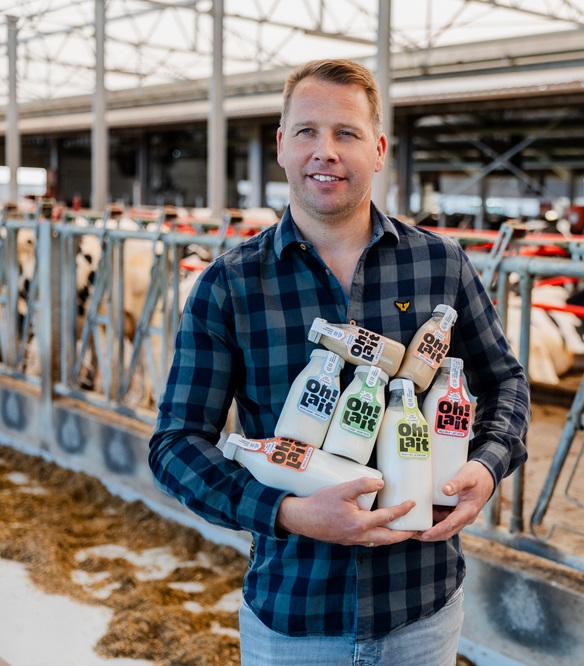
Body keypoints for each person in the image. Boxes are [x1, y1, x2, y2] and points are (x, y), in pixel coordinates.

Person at [148, 58, 530, 665]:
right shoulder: (230, 285)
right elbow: (175, 443)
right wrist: (290, 512)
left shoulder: (441, 265)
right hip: (294, 614)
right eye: (307, 132)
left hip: (422, 607)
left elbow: (505, 383)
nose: (325, 151)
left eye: (346, 134)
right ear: (281, 146)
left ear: (378, 150)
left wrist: (486, 466)